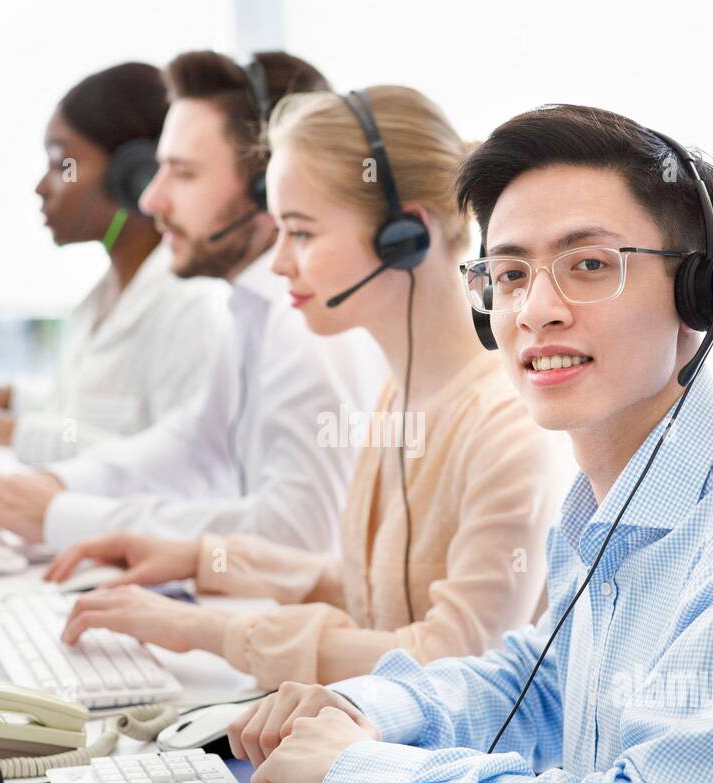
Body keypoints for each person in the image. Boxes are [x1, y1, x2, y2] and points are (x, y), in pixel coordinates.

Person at [228, 104, 713, 783]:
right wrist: (368, 709)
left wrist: (366, 776)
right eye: (511, 275)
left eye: (589, 266)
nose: (536, 311)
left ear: (698, 298)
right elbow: (542, 683)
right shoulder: (608, 500)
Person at [41, 86, 564, 690]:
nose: (280, 263)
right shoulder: (402, 396)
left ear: (404, 238)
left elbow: (453, 659)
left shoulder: (507, 429)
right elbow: (376, 591)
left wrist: (207, 630)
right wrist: (200, 559)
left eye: (303, 233)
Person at [0, 52, 385, 554]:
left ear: (268, 188)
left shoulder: (307, 324)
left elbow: (301, 536)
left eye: (184, 174)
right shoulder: (250, 311)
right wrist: (54, 486)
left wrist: (62, 516)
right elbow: (192, 446)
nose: (150, 200)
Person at [0, 62, 227, 465]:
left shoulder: (191, 306)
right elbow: (79, 415)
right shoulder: (104, 296)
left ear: (134, 175)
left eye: (63, 165)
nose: (41, 187)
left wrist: (12, 432)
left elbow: (181, 467)